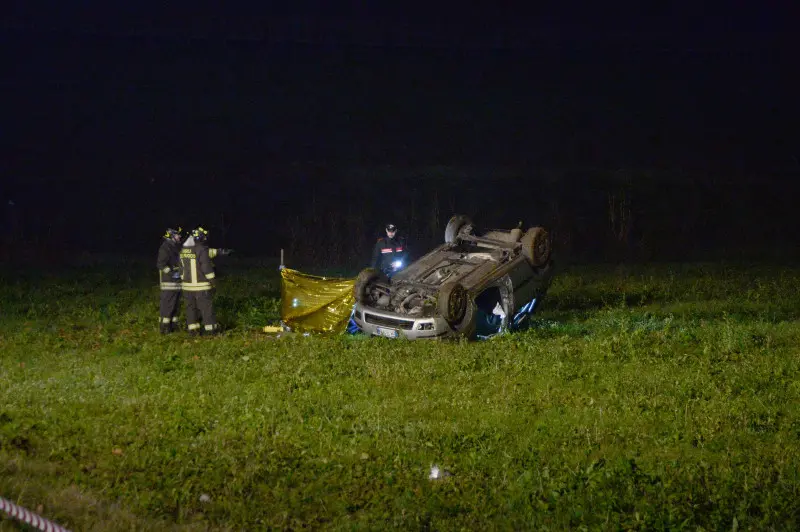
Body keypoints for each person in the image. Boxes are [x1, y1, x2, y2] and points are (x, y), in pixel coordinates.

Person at [179, 227, 232, 336]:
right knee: (206, 309)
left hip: (186, 287)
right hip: (201, 286)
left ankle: (193, 331)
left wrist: (220, 252)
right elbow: (206, 268)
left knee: (191, 309)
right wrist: (213, 281)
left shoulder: (183, 250)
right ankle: (211, 331)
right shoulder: (202, 250)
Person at [156, 227, 183, 334]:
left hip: (175, 283)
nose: (179, 236)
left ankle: (173, 327)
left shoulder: (174, 246)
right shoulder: (165, 247)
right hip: (168, 283)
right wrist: (172, 273)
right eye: (177, 234)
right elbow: (160, 264)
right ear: (171, 236)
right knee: (167, 306)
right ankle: (164, 328)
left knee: (175, 306)